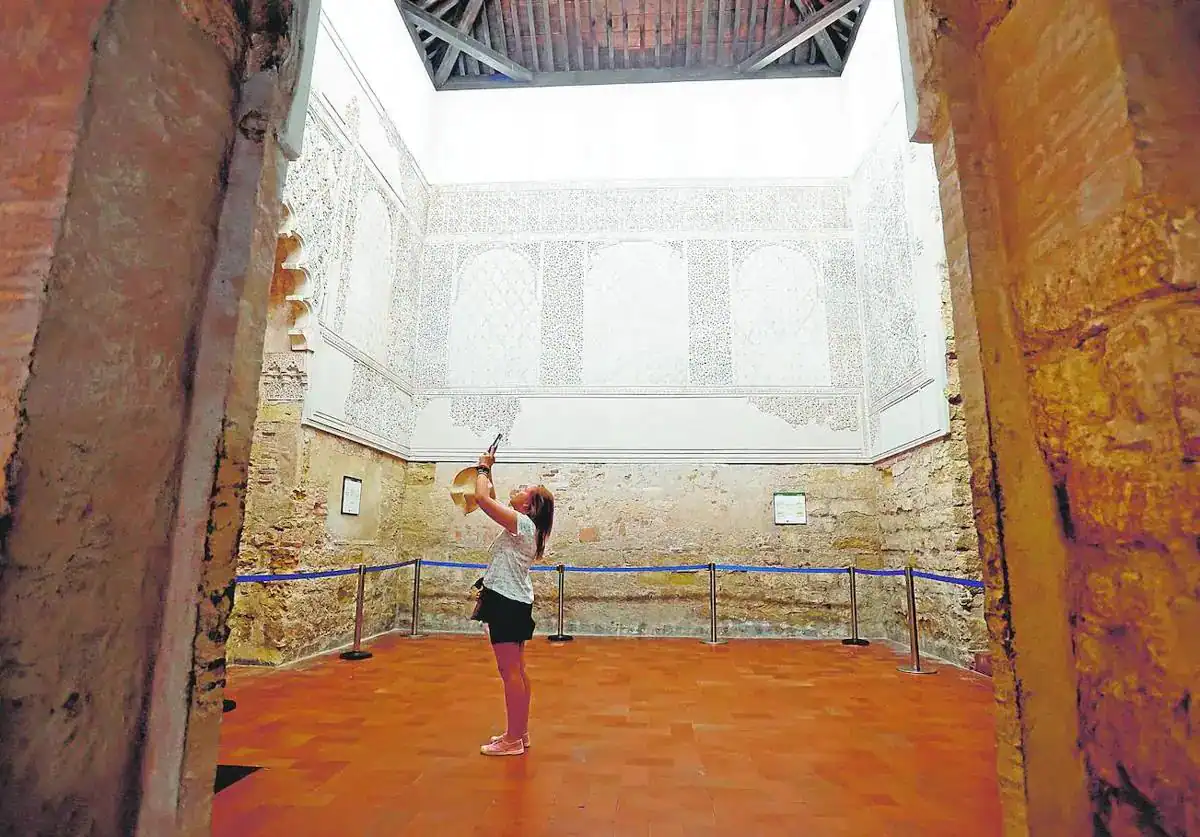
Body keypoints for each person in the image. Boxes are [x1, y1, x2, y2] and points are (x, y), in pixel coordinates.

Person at [469, 447, 554, 757]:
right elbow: (489, 495)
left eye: (522, 490)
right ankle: (519, 732)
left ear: (528, 505)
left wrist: (481, 467)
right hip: (513, 600)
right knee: (517, 670)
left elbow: (482, 499)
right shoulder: (526, 525)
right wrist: (488, 470)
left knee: (510, 672)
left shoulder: (522, 524)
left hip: (506, 601)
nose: (515, 491)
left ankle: (512, 740)